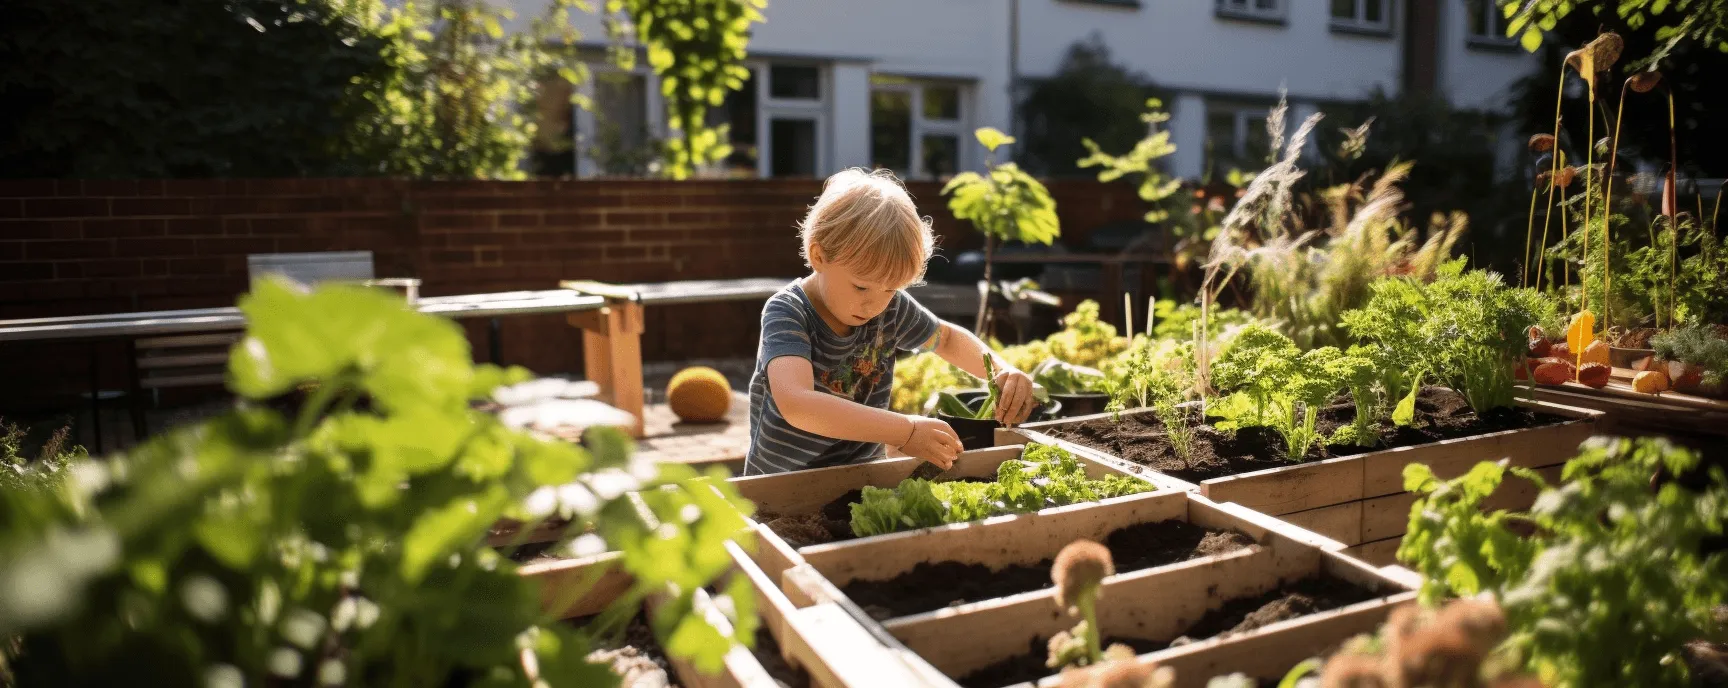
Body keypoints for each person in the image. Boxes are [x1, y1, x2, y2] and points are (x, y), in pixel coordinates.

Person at [745, 168, 1036, 476]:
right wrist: (905, 431)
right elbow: (797, 403)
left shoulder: (891, 308)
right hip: (780, 483)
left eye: (890, 289)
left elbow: (947, 339)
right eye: (861, 287)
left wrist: (1000, 370)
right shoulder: (789, 312)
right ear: (819, 256)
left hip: (862, 476)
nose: (875, 304)